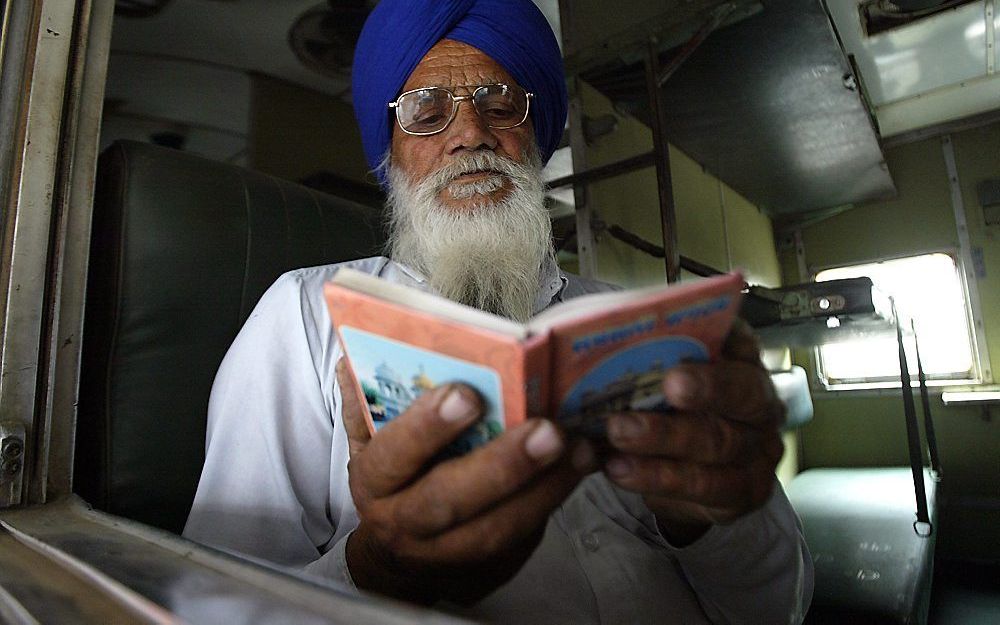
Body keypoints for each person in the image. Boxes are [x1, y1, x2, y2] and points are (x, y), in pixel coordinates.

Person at [184, 0, 814, 622]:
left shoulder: (634, 321)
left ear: (536, 138)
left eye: (500, 102)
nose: (471, 133)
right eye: (425, 110)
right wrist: (381, 567)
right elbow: (217, 607)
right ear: (389, 157)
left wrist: (704, 521)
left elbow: (781, 607)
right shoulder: (304, 316)